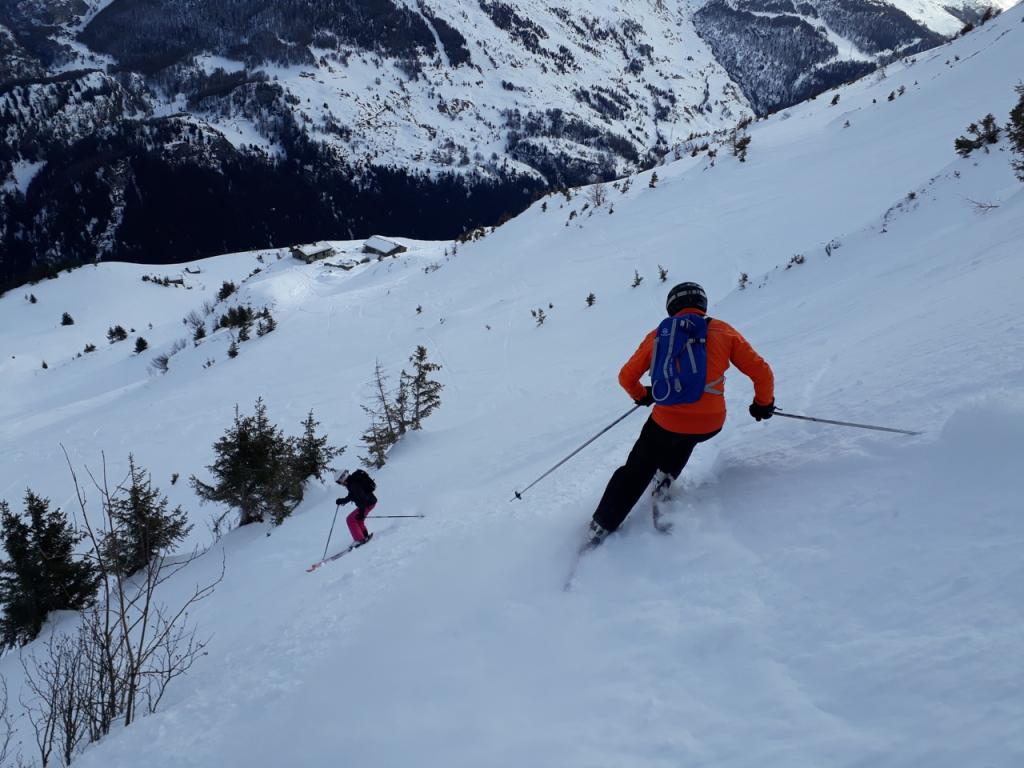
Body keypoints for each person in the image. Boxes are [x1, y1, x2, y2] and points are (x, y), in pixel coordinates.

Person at [588, 281, 775, 546]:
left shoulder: (660, 334)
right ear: (702, 305)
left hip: (667, 420)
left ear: (671, 306)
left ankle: (602, 525)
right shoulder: (723, 330)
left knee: (638, 467)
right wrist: (762, 404)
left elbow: (626, 377)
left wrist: (644, 395)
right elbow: (762, 372)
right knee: (686, 438)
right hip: (710, 423)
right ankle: (665, 480)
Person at [335, 469, 377, 546]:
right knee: (358, 520)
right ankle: (364, 536)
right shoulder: (351, 482)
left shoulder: (353, 484)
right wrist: (342, 501)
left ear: (342, 478)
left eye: (339, 482)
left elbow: (362, 498)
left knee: (350, 519)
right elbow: (352, 495)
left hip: (367, 504)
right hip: (369, 502)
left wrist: (361, 512)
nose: (340, 484)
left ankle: (359, 540)